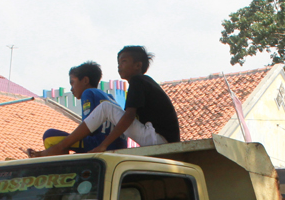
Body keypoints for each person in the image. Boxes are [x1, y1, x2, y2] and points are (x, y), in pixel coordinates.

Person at [37, 46, 180, 156]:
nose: (119, 66)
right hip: (159, 138)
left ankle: (59, 147)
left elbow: (129, 117)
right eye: (118, 62)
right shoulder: (140, 84)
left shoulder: (138, 81)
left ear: (138, 65)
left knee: (106, 108)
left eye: (124, 61)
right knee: (108, 108)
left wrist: (103, 146)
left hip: (158, 139)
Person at [31, 62, 127, 156]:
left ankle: (61, 166)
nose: (71, 89)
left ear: (85, 80)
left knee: (50, 136)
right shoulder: (110, 97)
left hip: (99, 142)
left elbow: (88, 128)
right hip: (119, 145)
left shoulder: (88, 93)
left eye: (73, 83)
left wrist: (62, 145)